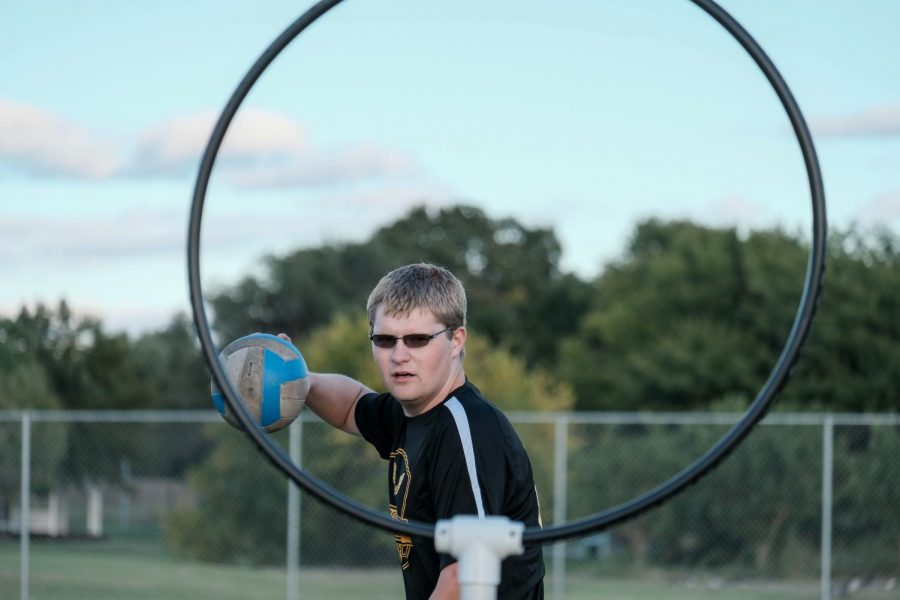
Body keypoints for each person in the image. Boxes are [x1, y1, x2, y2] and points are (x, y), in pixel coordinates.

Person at [285, 262, 544, 599]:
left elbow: (466, 574)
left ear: (456, 340)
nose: (399, 355)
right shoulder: (411, 414)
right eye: (384, 340)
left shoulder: (467, 428)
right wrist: (299, 380)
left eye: (418, 339)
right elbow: (351, 404)